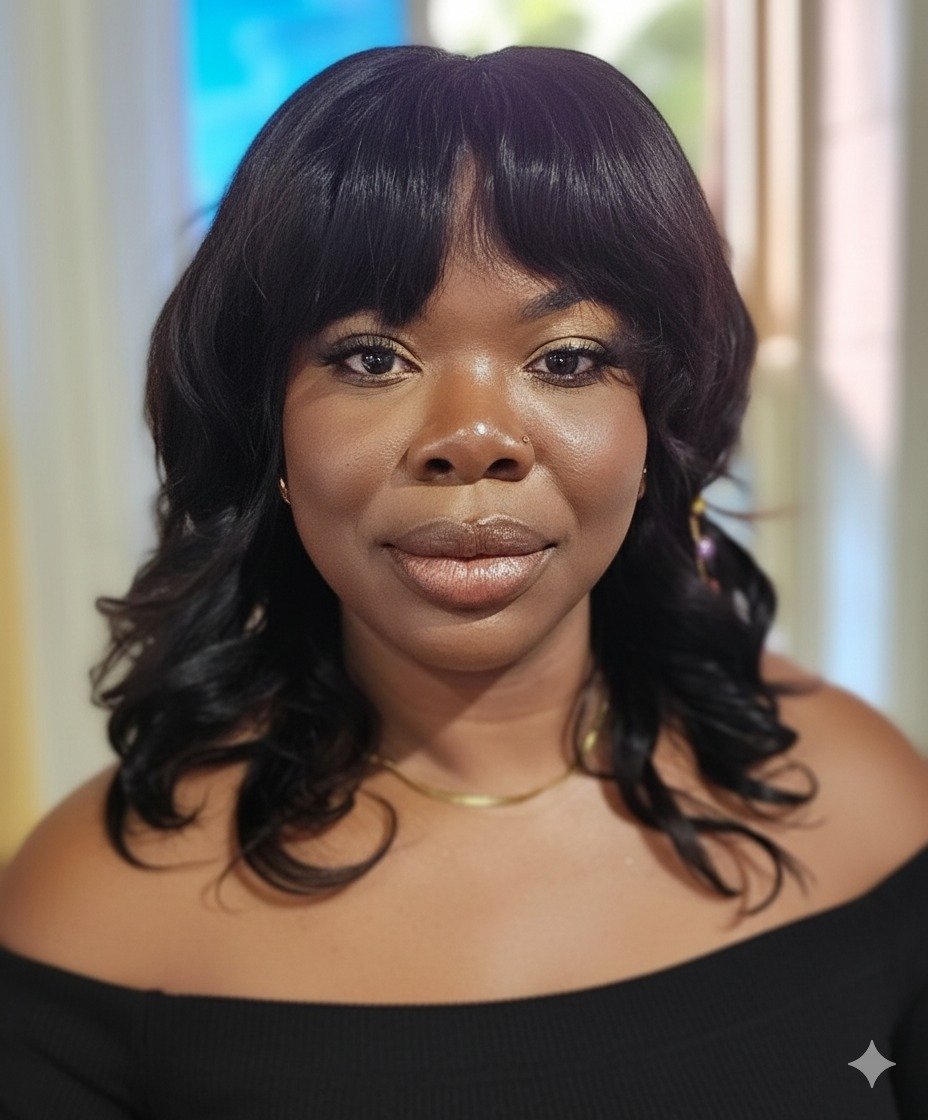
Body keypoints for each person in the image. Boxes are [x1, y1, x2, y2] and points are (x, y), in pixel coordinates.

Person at [1, 42, 927, 1119]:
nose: (473, 437)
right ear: (269, 434)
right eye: (371, 357)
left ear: (655, 424)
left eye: (567, 359)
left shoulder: (861, 796)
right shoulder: (95, 912)